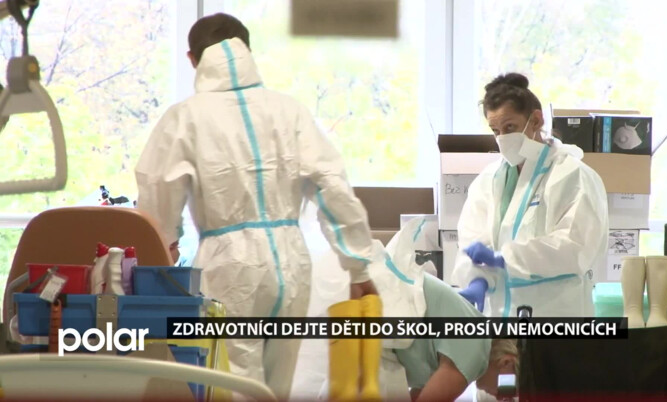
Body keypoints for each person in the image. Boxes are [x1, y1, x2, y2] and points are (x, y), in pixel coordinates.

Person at [134, 13, 378, 400]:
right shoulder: (290, 111)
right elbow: (333, 186)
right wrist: (357, 263)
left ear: (192, 59)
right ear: (247, 51)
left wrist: (164, 244)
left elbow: (158, 188)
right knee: (276, 389)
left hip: (228, 267)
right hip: (292, 263)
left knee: (233, 387)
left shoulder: (185, 117)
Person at [453, 72, 608, 318]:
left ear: (536, 120)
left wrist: (505, 258)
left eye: (510, 127)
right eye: (495, 130)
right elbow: (471, 239)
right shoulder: (488, 180)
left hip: (556, 319)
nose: (502, 138)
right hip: (501, 320)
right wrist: (477, 280)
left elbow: (576, 247)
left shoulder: (572, 175)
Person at [394, 274, 519, 402]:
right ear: (506, 362)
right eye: (509, 390)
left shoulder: (476, 338)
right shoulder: (475, 352)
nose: (500, 398)